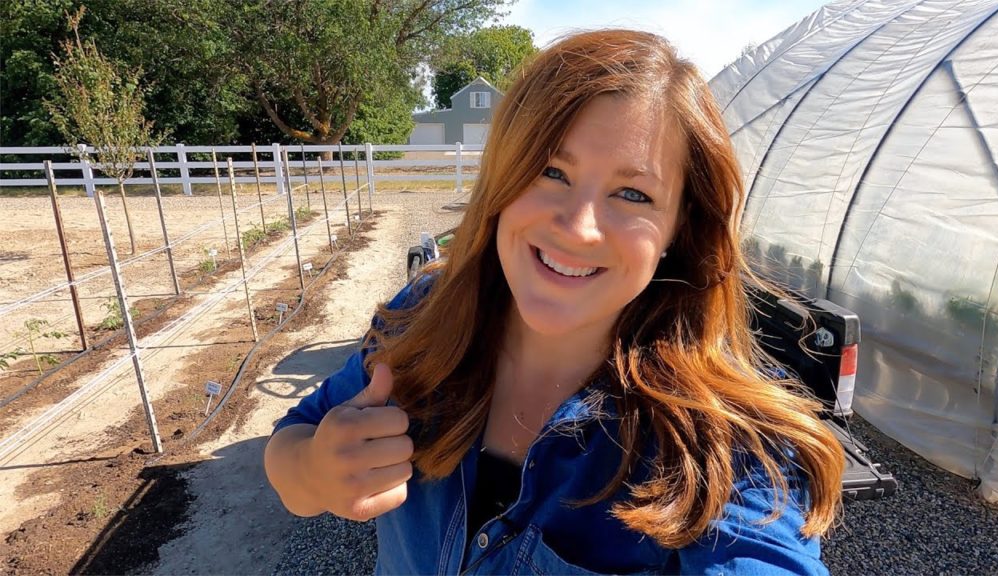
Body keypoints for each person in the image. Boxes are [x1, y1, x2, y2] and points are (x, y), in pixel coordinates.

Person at [265, 28, 845, 575]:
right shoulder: (423, 316)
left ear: (678, 230)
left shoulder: (726, 446)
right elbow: (292, 449)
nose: (579, 227)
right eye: (551, 170)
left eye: (633, 193)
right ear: (503, 177)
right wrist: (317, 470)